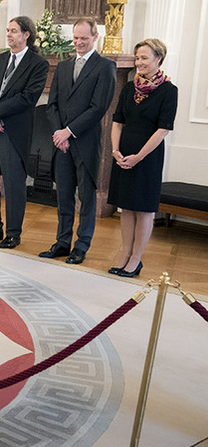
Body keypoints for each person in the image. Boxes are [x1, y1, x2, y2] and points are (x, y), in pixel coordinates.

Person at [38, 18, 117, 265]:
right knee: (63, 195)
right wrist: (59, 133)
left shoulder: (105, 67)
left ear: (95, 37)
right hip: (61, 144)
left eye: (84, 38)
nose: (79, 43)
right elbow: (52, 105)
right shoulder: (63, 67)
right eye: (75, 38)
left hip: (85, 142)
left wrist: (69, 131)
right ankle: (62, 242)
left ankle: (81, 245)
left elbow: (98, 108)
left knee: (86, 196)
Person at [0, 16, 50, 249]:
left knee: (14, 185)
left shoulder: (38, 64)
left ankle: (13, 233)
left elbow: (27, 98)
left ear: (27, 34)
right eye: (8, 30)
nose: (9, 34)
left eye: (14, 31)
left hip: (13, 132)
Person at [106, 38, 177, 278]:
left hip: (147, 156)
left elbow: (163, 129)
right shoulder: (128, 88)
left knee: (144, 209)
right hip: (123, 154)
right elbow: (117, 121)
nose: (139, 62)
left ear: (158, 59)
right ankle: (125, 253)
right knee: (126, 207)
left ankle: (136, 259)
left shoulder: (169, 91)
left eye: (144, 58)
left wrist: (138, 157)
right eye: (137, 58)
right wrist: (115, 150)